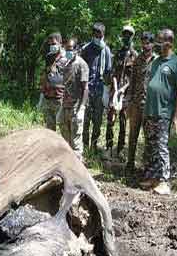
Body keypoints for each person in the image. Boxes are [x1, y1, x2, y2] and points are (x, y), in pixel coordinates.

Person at [140, 28, 177, 195]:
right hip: (150, 110)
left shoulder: (176, 64)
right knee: (150, 145)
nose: (158, 44)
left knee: (161, 147)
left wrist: (176, 117)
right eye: (157, 41)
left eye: (161, 41)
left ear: (170, 42)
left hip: (164, 112)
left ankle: (164, 181)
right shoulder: (157, 61)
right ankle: (153, 177)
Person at [125, 31, 158, 172]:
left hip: (150, 105)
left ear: (153, 43)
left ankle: (147, 167)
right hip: (136, 104)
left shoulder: (157, 61)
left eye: (148, 42)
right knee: (133, 135)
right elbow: (132, 81)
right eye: (143, 42)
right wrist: (129, 101)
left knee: (149, 138)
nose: (145, 45)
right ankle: (130, 163)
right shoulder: (137, 60)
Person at [105, 25, 139, 160]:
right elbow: (113, 72)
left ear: (132, 37)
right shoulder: (118, 53)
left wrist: (124, 89)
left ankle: (120, 150)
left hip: (127, 93)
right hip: (115, 91)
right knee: (110, 119)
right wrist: (115, 86)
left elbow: (135, 78)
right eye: (125, 34)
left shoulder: (135, 56)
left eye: (129, 35)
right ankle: (108, 148)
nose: (126, 37)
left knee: (123, 122)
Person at [80, 22, 112, 153]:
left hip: (100, 89)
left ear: (103, 34)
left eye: (99, 34)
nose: (97, 37)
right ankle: (85, 145)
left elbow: (108, 72)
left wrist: (107, 91)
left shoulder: (106, 50)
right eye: (95, 34)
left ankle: (94, 145)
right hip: (87, 89)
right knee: (85, 119)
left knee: (98, 120)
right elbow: (80, 68)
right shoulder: (86, 49)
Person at [58, 37, 89, 159]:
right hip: (65, 105)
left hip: (76, 107)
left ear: (76, 49)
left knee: (76, 142)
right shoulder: (66, 63)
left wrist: (82, 108)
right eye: (66, 49)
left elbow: (85, 88)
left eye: (70, 49)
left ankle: (78, 169)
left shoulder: (82, 65)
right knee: (65, 140)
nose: (68, 52)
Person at [39, 32, 67, 131]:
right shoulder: (48, 57)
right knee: (50, 129)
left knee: (63, 127)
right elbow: (45, 75)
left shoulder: (66, 59)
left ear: (60, 43)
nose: (52, 46)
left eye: (54, 44)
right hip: (48, 97)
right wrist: (41, 96)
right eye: (50, 44)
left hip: (61, 98)